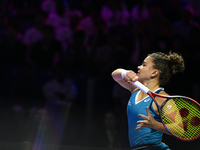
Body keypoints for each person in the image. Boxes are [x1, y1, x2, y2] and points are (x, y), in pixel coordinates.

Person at [111, 51, 185, 150]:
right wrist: (125, 73)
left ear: (154, 72)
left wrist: (156, 125)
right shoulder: (135, 89)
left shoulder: (162, 98)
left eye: (144, 65)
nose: (139, 67)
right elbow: (115, 75)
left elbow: (180, 129)